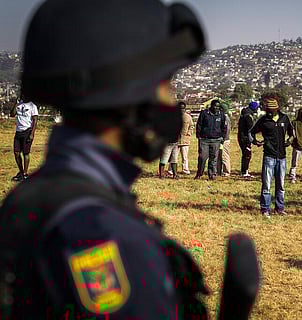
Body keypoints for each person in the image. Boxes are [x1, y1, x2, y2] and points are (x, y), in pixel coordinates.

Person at [0, 0, 211, 318]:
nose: (170, 100)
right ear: (126, 89)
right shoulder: (108, 237)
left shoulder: (26, 198)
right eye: (166, 83)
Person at [250, 94, 294, 218]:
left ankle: (279, 208)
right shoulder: (263, 120)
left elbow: (292, 133)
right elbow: (251, 132)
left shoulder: (284, 119)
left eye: (270, 110)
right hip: (269, 156)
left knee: (281, 184)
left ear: (276, 109)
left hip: (282, 157)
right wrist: (255, 142)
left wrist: (290, 140)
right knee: (267, 184)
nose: (268, 112)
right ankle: (265, 209)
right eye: (267, 110)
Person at [195, 99, 227, 180]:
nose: (216, 108)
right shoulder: (204, 113)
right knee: (202, 157)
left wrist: (222, 137)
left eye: (218, 106)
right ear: (211, 106)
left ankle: (212, 174)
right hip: (204, 139)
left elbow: (224, 127)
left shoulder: (221, 115)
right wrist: (199, 135)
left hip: (216, 140)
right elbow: (199, 124)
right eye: (215, 106)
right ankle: (199, 173)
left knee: (213, 158)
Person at [10, 99, 38, 181]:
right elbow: (12, 114)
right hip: (18, 132)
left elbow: (35, 120)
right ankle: (21, 172)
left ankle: (25, 174)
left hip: (27, 131)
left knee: (26, 153)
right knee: (16, 153)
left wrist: (32, 134)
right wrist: (16, 103)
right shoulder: (19, 104)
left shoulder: (32, 106)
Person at [288, 107, 302, 184]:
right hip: (297, 146)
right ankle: (292, 177)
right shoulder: (294, 123)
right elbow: (291, 134)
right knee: (294, 163)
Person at [237, 101, 259, 178]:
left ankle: (244, 171)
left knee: (246, 154)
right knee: (247, 155)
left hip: (242, 137)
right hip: (245, 139)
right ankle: (244, 172)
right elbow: (251, 130)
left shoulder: (244, 115)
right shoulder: (248, 117)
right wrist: (254, 141)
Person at [177, 101, 194, 174]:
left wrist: (189, 133)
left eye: (183, 108)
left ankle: (185, 169)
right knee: (174, 157)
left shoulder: (188, 117)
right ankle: (171, 170)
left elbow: (192, 126)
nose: (181, 110)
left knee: (185, 157)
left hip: (185, 140)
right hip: (175, 140)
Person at [217, 102, 231, 176]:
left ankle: (226, 171)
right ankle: (218, 171)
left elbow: (227, 130)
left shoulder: (225, 118)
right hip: (220, 139)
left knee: (224, 156)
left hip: (224, 140)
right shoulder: (222, 117)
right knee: (219, 156)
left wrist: (222, 139)